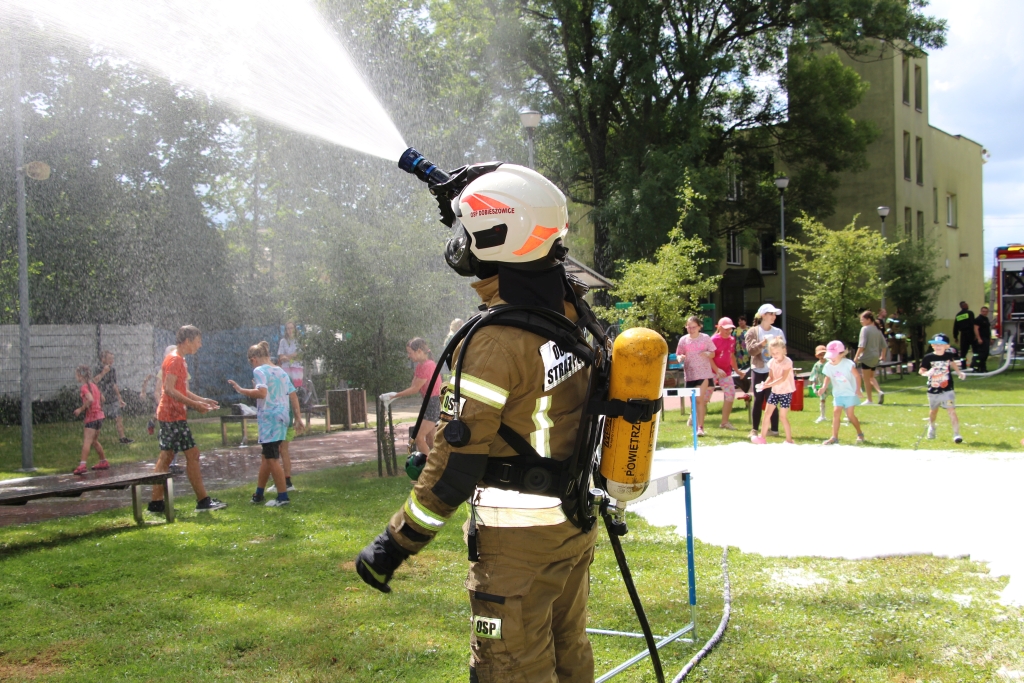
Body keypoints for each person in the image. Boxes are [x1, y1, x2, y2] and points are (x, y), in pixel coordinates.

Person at [356, 160, 602, 681]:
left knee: (509, 668)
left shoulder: (492, 343)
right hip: (570, 524)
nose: (462, 241)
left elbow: (455, 466)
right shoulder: (569, 310)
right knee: (569, 654)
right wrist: (476, 198)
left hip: (516, 544)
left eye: (471, 231)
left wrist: (392, 546)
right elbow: (532, 241)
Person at [148, 325, 225, 514]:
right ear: (188, 341)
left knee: (165, 458)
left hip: (168, 415)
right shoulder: (176, 360)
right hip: (173, 416)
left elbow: (180, 388)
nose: (200, 345)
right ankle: (203, 501)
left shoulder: (176, 358)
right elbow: (169, 389)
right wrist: (195, 405)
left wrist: (201, 400)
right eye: (198, 341)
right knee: (192, 454)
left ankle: (156, 503)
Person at [228, 341, 294, 507]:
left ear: (254, 359)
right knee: (266, 457)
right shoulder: (280, 371)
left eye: (251, 361)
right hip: (282, 417)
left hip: (269, 420)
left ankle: (282, 497)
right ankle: (258, 494)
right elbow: (288, 393)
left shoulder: (259, 370)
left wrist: (241, 390)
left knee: (272, 459)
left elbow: (262, 393)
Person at [380, 338, 441, 454]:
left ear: (418, 351)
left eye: (410, 353)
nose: (409, 356)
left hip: (433, 403)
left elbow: (414, 389)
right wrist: (394, 396)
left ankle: (430, 468)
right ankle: (439, 465)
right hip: (428, 403)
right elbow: (413, 386)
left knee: (419, 438)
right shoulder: (419, 366)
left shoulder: (429, 365)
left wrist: (394, 396)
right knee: (431, 440)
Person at [745, 304, 785, 437]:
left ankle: (774, 430)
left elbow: (784, 352)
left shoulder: (778, 332)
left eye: (775, 314)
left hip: (773, 370)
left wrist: (778, 345)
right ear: (763, 315)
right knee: (758, 399)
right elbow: (750, 351)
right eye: (771, 314)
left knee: (772, 399)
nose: (774, 317)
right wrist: (762, 344)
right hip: (758, 369)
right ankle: (754, 429)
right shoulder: (753, 331)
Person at [919, 332, 966, 444]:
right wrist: (927, 373)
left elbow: (952, 363)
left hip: (947, 389)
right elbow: (921, 371)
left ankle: (956, 434)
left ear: (947, 346)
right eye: (936, 344)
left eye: (941, 344)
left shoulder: (948, 355)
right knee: (933, 411)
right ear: (932, 346)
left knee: (951, 410)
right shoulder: (928, 357)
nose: (938, 346)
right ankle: (932, 426)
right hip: (933, 389)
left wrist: (959, 372)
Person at [817, 341, 865, 445]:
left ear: (841, 354)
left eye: (834, 356)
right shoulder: (828, 366)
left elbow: (857, 376)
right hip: (838, 394)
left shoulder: (848, 364)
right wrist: (823, 388)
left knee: (850, 415)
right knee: (836, 412)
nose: (831, 359)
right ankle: (834, 437)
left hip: (850, 393)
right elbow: (827, 377)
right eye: (830, 356)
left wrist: (857, 389)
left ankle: (860, 433)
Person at [677, 316, 717, 436]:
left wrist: (707, 353)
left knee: (699, 400)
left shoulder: (705, 338)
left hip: (703, 373)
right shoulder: (683, 340)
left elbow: (713, 353)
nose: (691, 329)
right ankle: (695, 424)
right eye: (688, 327)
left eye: (694, 327)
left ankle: (700, 428)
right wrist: (681, 358)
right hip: (690, 374)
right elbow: (679, 354)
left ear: (699, 327)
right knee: (693, 401)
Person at [750, 337, 795, 444]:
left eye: (777, 352)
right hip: (775, 391)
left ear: (784, 350)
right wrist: (764, 384)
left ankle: (789, 440)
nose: (775, 355)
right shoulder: (771, 362)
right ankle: (762, 437)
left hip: (785, 392)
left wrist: (768, 385)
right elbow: (771, 376)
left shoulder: (787, 362)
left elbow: (782, 378)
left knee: (783, 417)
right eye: (773, 353)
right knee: (767, 414)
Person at [72, 365, 109, 475]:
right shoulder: (94, 385)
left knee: (87, 441)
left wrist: (81, 409)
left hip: (92, 417)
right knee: (94, 441)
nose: (76, 377)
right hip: (99, 416)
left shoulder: (84, 387)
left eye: (76, 374)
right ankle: (103, 461)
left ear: (80, 376)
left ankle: (82, 465)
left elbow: (90, 399)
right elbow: (102, 399)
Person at [710, 317, 745, 430]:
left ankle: (724, 422)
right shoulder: (713, 340)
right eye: (726, 328)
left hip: (726, 372)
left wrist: (737, 370)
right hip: (711, 371)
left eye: (730, 329)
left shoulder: (731, 340)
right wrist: (716, 370)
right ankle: (694, 417)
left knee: (730, 395)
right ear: (719, 327)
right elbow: (709, 358)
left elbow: (731, 356)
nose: (728, 331)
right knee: (704, 398)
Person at [93, 351, 132, 444]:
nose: (112, 361)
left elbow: (114, 384)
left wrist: (119, 398)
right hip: (101, 399)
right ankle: (93, 439)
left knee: (118, 417)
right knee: (99, 420)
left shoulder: (113, 369)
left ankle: (122, 438)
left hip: (112, 397)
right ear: (103, 359)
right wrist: (103, 372)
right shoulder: (98, 369)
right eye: (110, 358)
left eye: (112, 358)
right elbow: (94, 382)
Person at [853, 310, 886, 405]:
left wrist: (856, 356)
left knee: (866, 379)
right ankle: (879, 391)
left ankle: (869, 400)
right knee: (871, 377)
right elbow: (884, 345)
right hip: (875, 357)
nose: (861, 322)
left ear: (868, 319)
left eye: (862, 320)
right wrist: (882, 355)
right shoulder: (877, 329)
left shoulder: (865, 329)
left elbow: (862, 345)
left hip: (867, 357)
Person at [277, 321, 304, 388]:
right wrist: (293, 355)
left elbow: (300, 356)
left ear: (295, 329)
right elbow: (281, 357)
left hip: (297, 369)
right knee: (286, 389)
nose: (290, 330)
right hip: (286, 369)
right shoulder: (283, 341)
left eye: (291, 328)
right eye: (288, 328)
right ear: (285, 330)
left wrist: (287, 357)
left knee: (297, 389)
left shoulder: (299, 340)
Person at [808, 345, 829, 423]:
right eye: (820, 354)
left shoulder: (830, 363)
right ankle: (822, 416)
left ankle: (847, 415)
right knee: (822, 400)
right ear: (816, 356)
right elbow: (814, 377)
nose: (822, 356)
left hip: (832, 385)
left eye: (824, 354)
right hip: (821, 385)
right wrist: (814, 388)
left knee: (839, 400)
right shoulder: (817, 365)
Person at [972, 305, 992, 372]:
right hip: (981, 339)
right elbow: (976, 329)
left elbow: (988, 330)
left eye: (986, 311)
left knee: (985, 354)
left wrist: (990, 338)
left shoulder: (986, 319)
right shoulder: (978, 319)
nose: (985, 313)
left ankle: (983, 368)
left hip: (986, 338)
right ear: (981, 311)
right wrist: (979, 338)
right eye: (983, 311)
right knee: (981, 354)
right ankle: (977, 368)